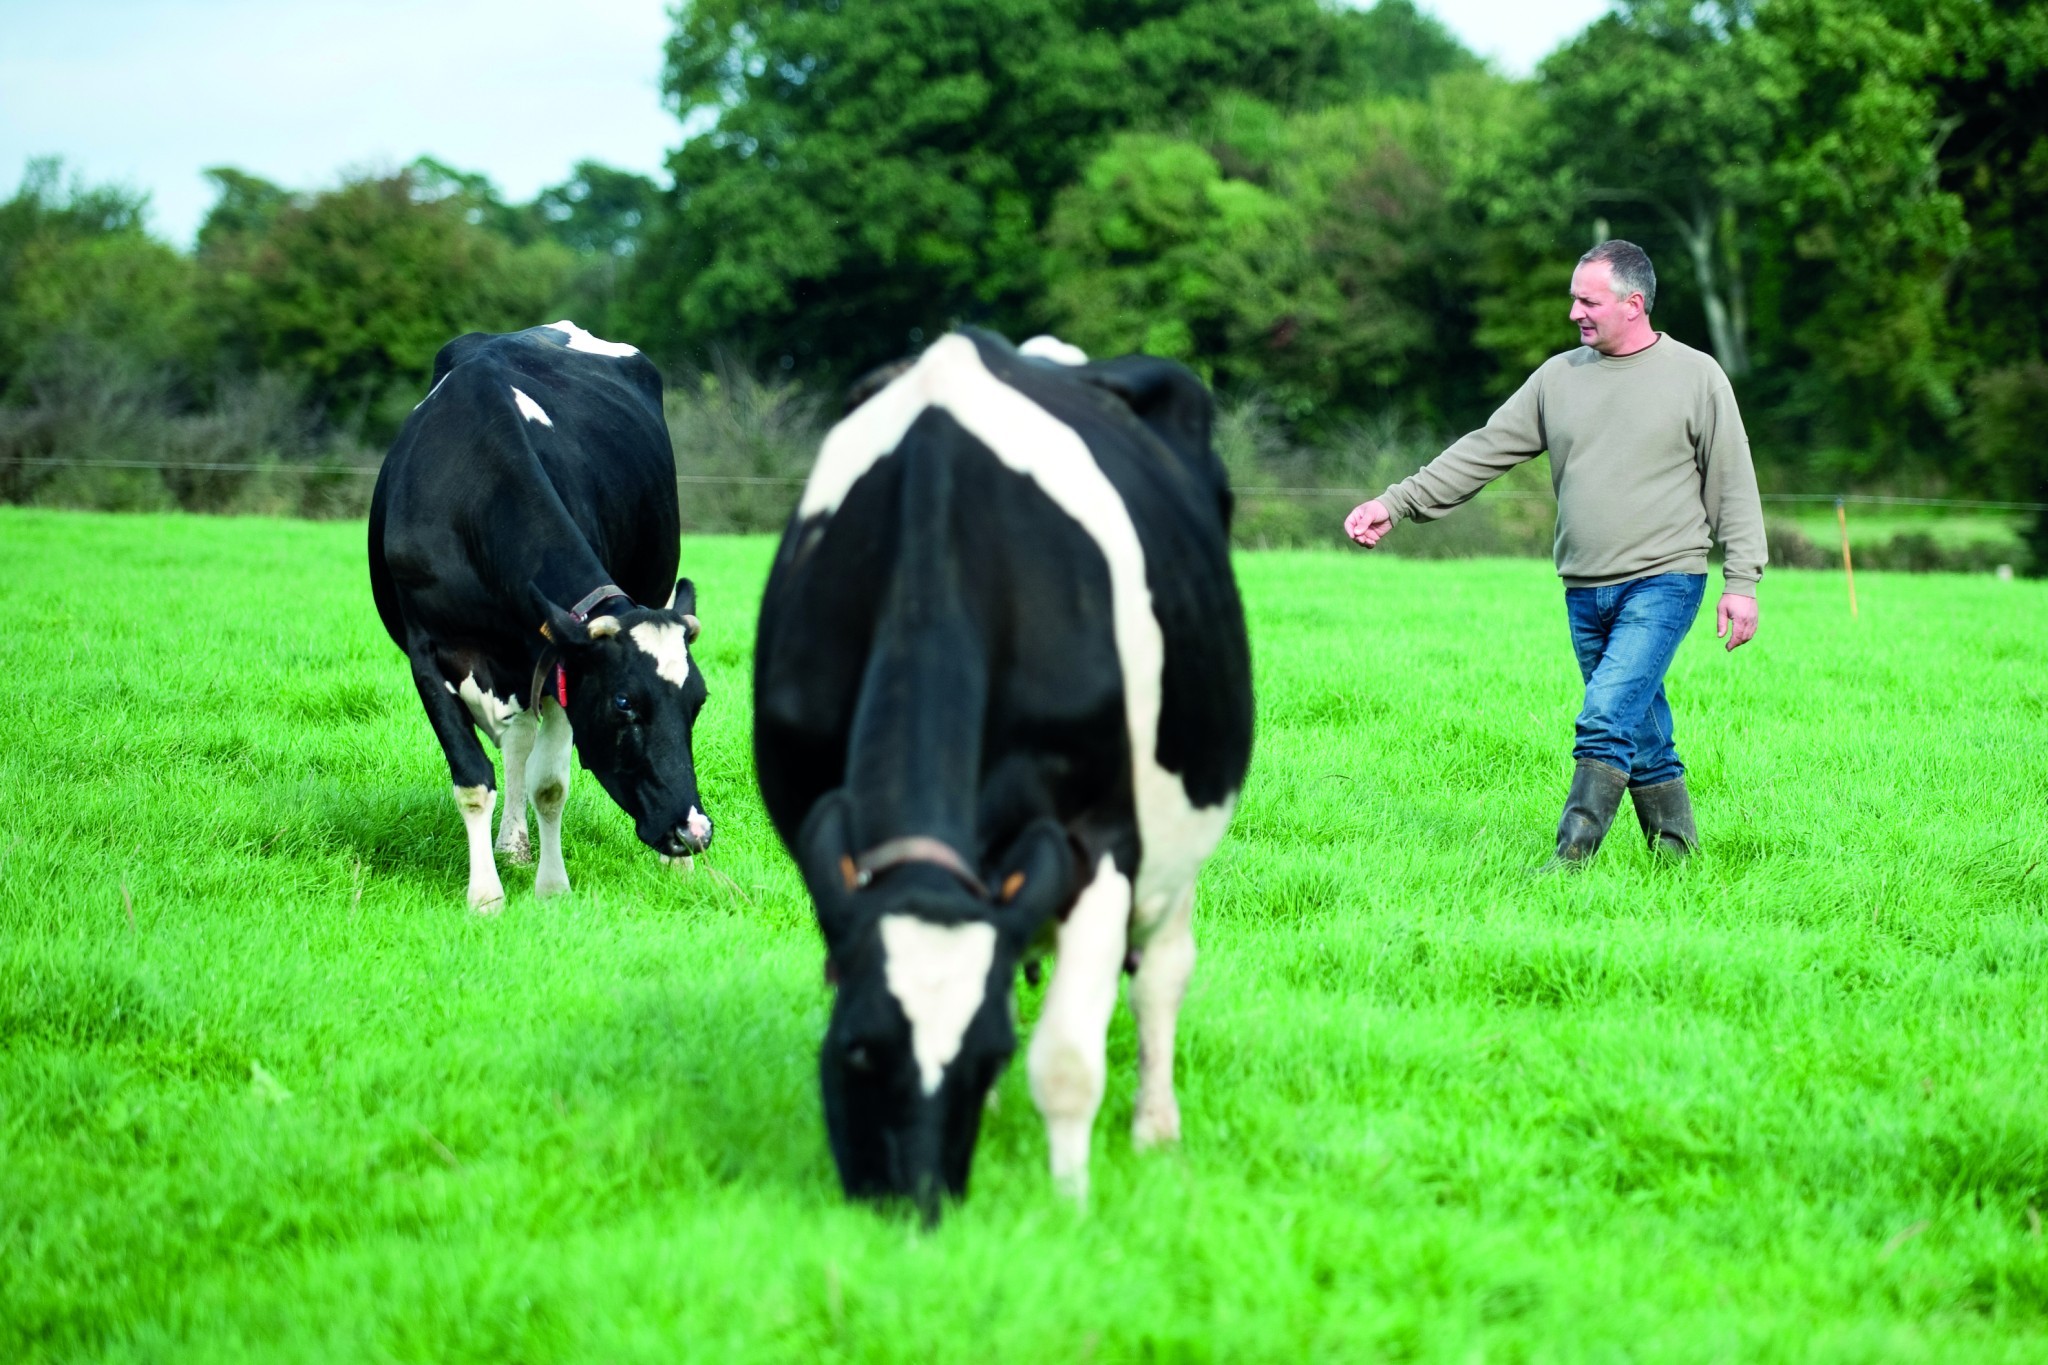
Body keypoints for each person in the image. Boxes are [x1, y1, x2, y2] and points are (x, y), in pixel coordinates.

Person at [1345, 240, 1765, 867]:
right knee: (1640, 728)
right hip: (1584, 589)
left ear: (1634, 302)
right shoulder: (1558, 378)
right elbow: (1483, 449)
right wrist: (1396, 502)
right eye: (1573, 298)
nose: (1574, 312)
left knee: (1603, 715)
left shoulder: (1696, 376)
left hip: (1664, 580)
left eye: (1587, 300)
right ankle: (1679, 864)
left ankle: (1570, 860)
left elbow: (1732, 481)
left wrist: (1742, 581)